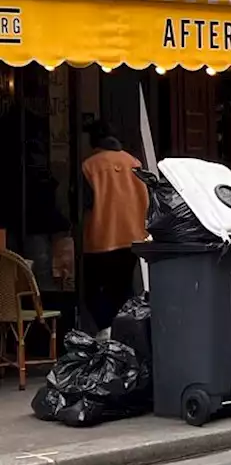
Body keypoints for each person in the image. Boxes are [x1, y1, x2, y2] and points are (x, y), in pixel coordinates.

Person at [81, 120, 148, 335]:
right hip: (132, 238)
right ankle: (126, 333)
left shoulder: (89, 166)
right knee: (123, 288)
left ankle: (106, 329)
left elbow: (84, 203)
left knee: (92, 291)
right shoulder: (134, 163)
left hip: (100, 240)